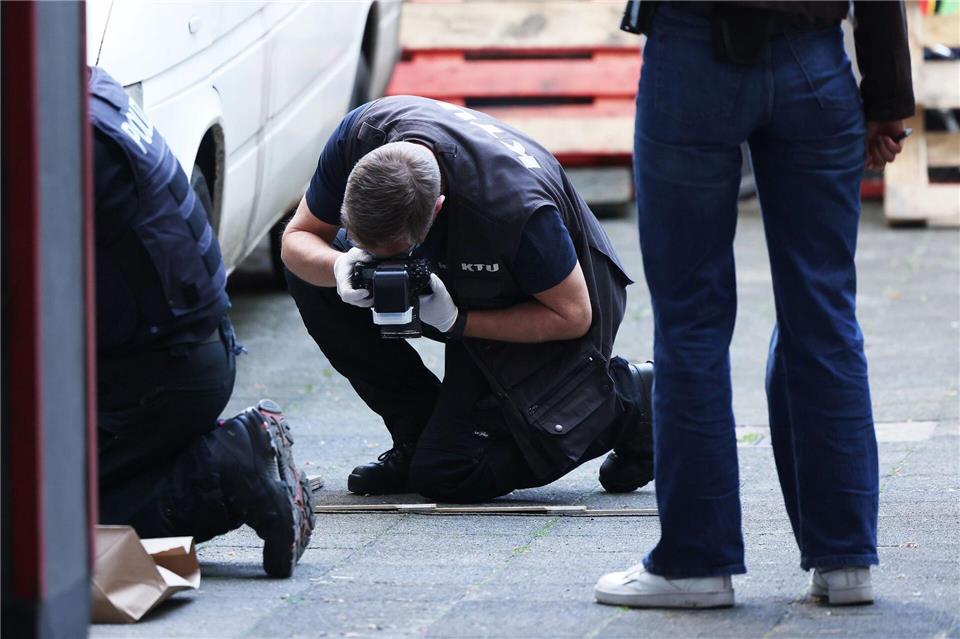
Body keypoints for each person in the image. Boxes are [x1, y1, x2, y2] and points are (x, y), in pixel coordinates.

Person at [596, 1, 914, 608]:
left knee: (691, 320)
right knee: (823, 311)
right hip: (813, 53)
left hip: (691, 48)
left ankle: (695, 564)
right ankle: (844, 559)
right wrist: (890, 95)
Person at [281, 95, 655, 502]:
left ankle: (629, 402)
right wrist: (339, 268)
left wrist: (459, 321)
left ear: (438, 207)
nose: (381, 265)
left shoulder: (513, 210)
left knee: (449, 473)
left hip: (541, 300)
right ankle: (417, 435)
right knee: (309, 276)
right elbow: (298, 237)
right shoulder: (359, 136)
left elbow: (573, 315)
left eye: (395, 251)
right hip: (464, 272)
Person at [90, 66, 315, 578]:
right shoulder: (86, 89)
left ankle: (229, 468)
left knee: (44, 527)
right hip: (183, 351)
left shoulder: (62, 138)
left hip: (158, 373)